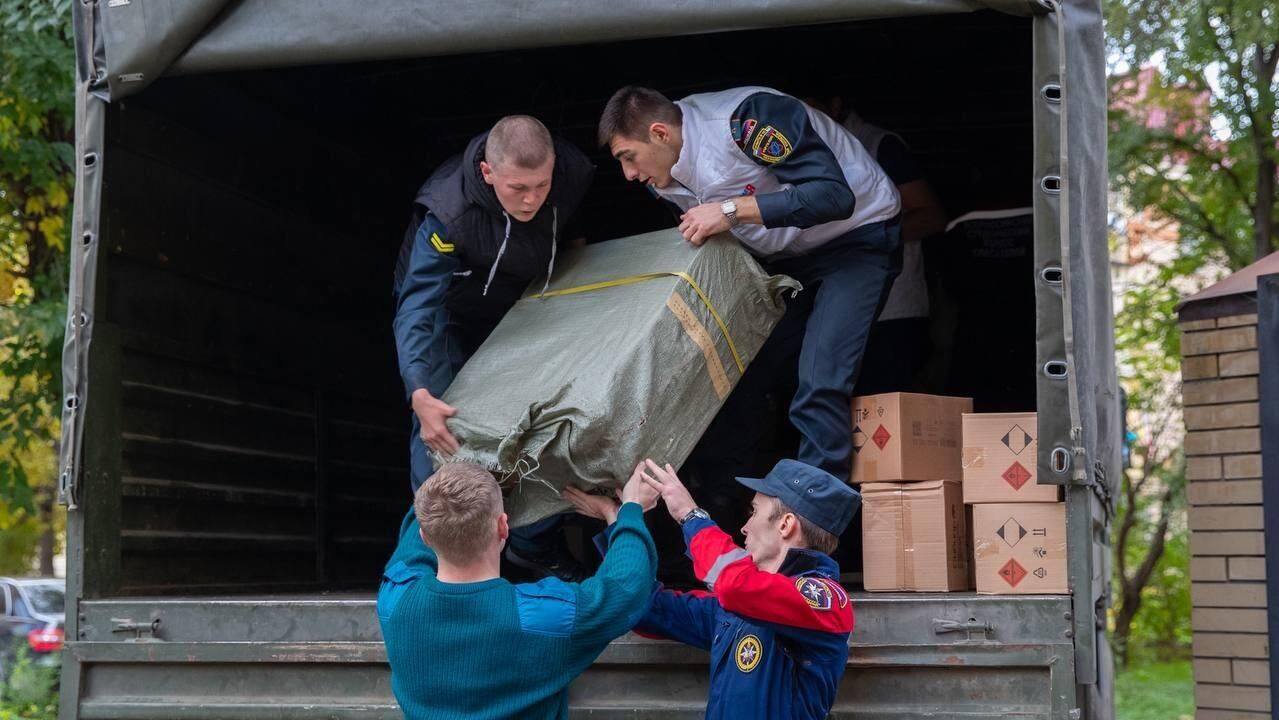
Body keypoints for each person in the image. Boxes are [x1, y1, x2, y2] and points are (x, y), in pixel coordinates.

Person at [597, 86, 901, 486]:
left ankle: (813, 521)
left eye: (628, 157)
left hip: (856, 237)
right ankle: (731, 510)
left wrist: (729, 210)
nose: (629, 175)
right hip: (784, 259)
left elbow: (833, 195)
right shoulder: (663, 177)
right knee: (738, 376)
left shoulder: (746, 119)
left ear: (660, 133)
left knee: (819, 378)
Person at [393, 115, 594, 580]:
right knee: (443, 427)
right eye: (516, 188)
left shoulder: (575, 174)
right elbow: (419, 309)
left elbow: (578, 240)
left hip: (523, 307)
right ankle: (425, 568)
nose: (531, 199)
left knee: (546, 419)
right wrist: (419, 391)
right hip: (449, 310)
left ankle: (530, 547)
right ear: (487, 173)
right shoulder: (448, 209)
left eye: (540, 186)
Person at [565, 459, 859, 720]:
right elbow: (645, 607)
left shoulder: (825, 600)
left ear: (785, 525)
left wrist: (690, 515)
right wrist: (620, 518)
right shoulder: (739, 605)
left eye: (754, 512)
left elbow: (736, 587)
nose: (744, 527)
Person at [378, 461, 659, 720]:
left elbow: (420, 526)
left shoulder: (396, 598)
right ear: (503, 527)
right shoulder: (542, 617)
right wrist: (626, 511)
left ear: (425, 537)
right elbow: (625, 587)